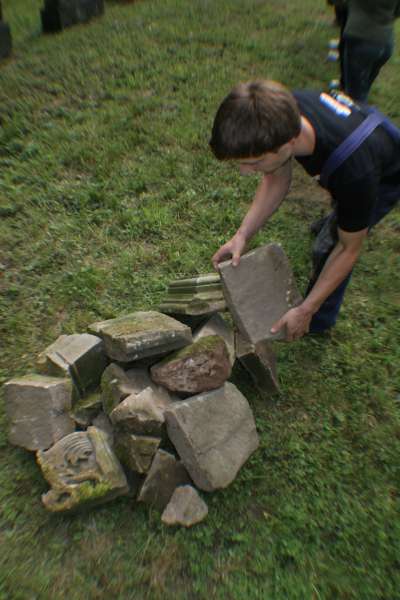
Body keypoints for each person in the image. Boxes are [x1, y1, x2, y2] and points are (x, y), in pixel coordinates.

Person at [210, 80, 400, 341]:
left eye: (253, 162)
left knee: (329, 246)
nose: (245, 171)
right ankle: (338, 220)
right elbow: (276, 178)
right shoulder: (279, 111)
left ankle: (317, 319)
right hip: (354, 139)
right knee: (340, 220)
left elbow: (349, 250)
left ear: (290, 142)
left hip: (385, 174)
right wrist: (242, 235)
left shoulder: (356, 174)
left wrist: (306, 308)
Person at [340, 0, 400, 101]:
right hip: (385, 41)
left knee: (355, 95)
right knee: (363, 87)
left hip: (360, 36)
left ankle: (358, 114)